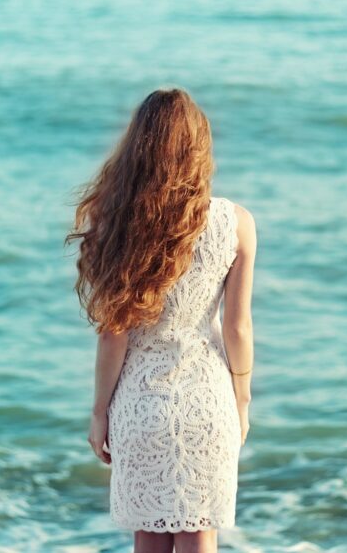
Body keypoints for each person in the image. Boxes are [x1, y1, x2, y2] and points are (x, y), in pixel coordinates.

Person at [65, 87, 257, 553]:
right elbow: (237, 328)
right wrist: (243, 401)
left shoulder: (120, 223)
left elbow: (113, 334)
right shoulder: (235, 222)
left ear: (138, 148)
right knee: (199, 535)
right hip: (207, 400)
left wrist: (98, 413)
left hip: (141, 404)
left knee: (149, 537)